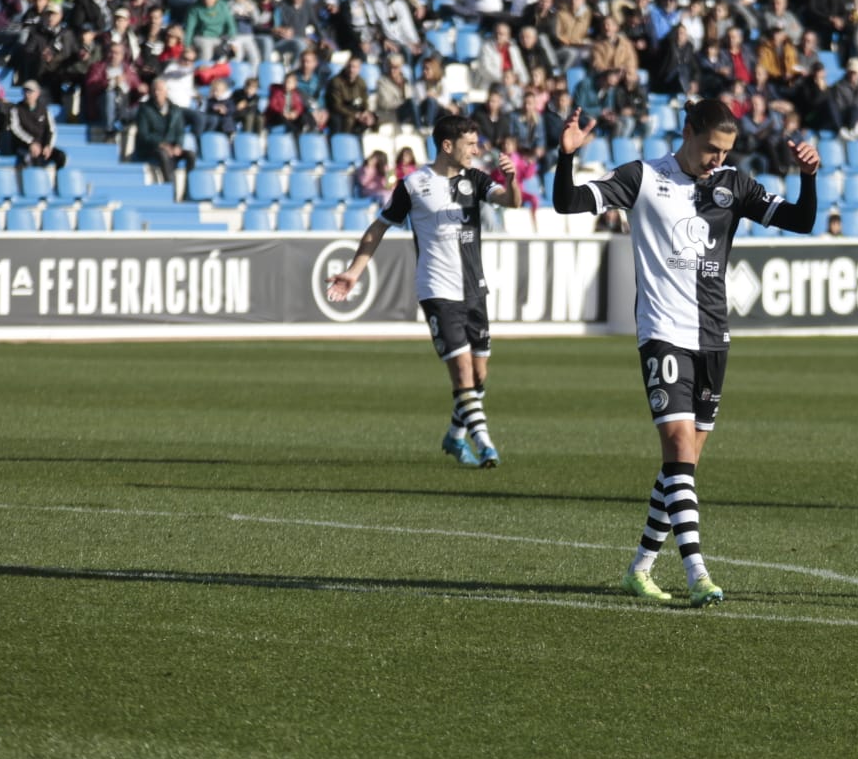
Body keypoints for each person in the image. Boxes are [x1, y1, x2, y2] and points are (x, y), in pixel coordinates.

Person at [550, 99, 821, 608]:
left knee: (685, 463)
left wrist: (808, 177)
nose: (717, 159)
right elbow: (567, 202)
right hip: (662, 331)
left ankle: (641, 568)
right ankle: (698, 572)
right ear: (687, 131)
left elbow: (800, 221)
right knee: (677, 449)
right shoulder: (641, 178)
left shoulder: (735, 184)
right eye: (711, 149)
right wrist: (565, 158)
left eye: (725, 152)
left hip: (714, 336)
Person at [327, 116, 522, 467]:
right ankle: (486, 443)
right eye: (470, 144)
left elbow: (512, 202)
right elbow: (380, 226)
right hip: (437, 290)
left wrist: (511, 180)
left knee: (479, 376)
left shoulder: (475, 179)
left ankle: (455, 436)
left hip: (474, 289)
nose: (476, 150)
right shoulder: (414, 184)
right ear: (448, 146)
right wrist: (355, 271)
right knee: (462, 373)